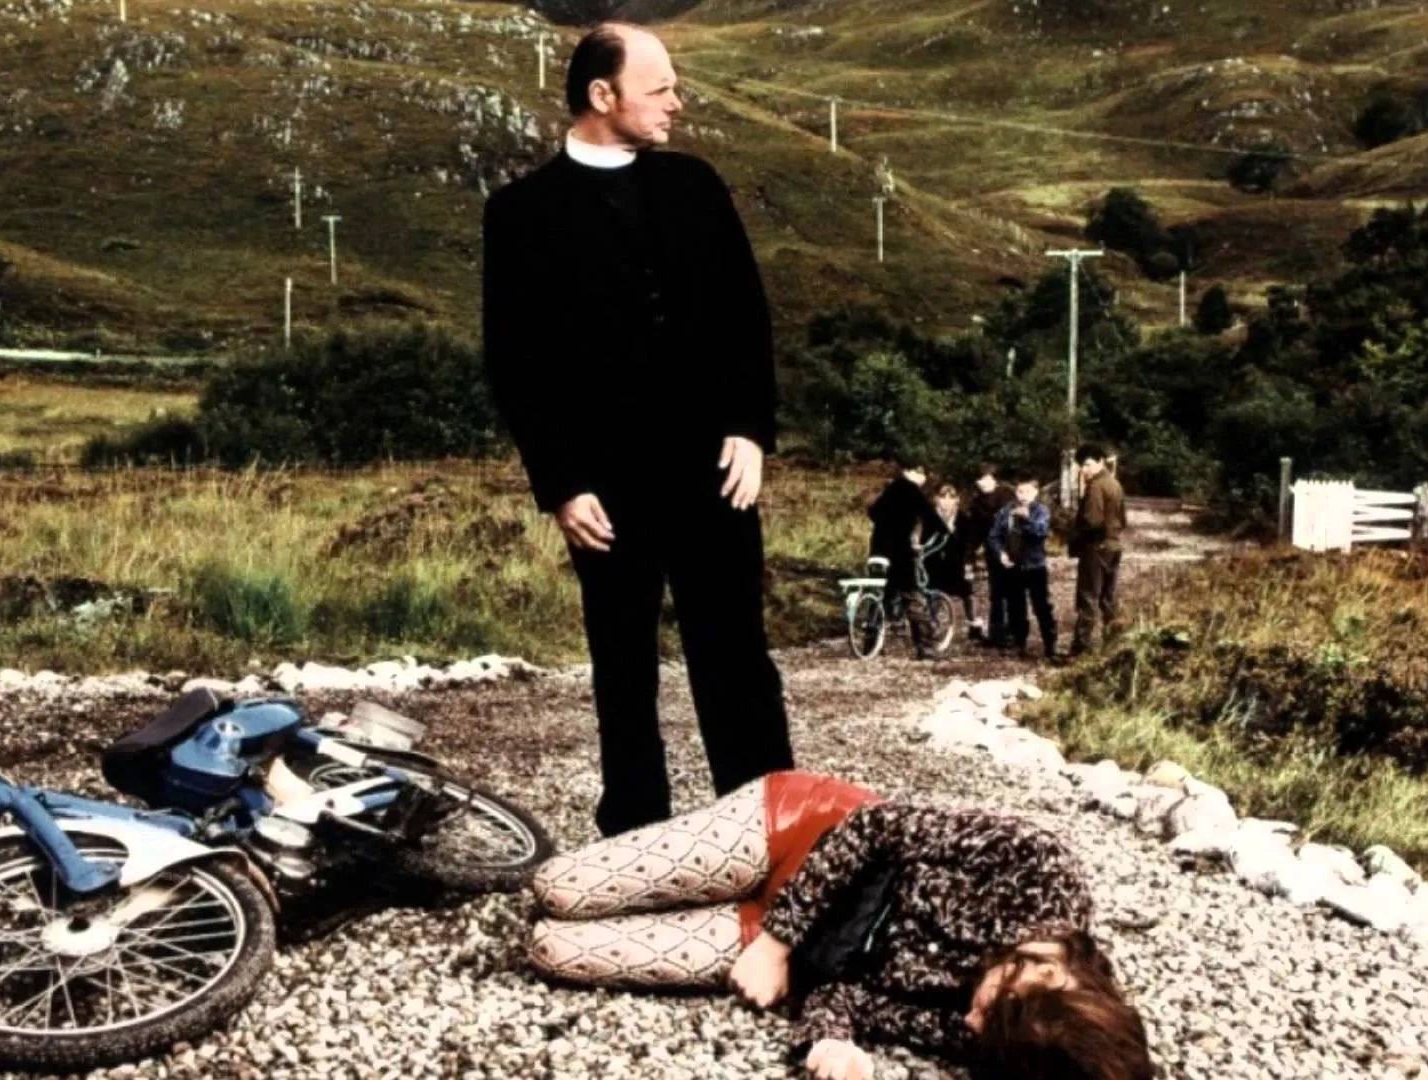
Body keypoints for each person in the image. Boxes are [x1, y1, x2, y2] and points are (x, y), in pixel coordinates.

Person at [481, 22, 792, 837]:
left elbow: (745, 317)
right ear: (601, 95)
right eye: (660, 90)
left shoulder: (696, 185)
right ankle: (636, 837)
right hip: (604, 487)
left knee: (736, 659)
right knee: (623, 668)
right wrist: (560, 484)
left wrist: (751, 430)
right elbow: (516, 362)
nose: (677, 105)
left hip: (713, 470)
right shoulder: (520, 214)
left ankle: (764, 830)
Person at [526, 770, 1155, 1080]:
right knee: (559, 887)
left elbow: (847, 996)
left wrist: (831, 1040)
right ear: (1046, 973)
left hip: (800, 949)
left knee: (556, 948)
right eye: (990, 1014)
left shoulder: (1004, 1038)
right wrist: (777, 942)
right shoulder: (1040, 868)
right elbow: (877, 827)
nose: (968, 1023)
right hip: (800, 833)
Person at [866, 465, 941, 659]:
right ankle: (925, 646)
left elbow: (873, 512)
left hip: (877, 549)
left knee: (878, 594)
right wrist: (935, 536)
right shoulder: (913, 492)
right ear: (915, 473)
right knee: (912, 596)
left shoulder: (889, 490)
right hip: (899, 552)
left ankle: (869, 644)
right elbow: (932, 519)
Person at [988, 477, 1057, 660]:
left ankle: (1051, 646)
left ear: (1035, 492)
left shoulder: (1041, 511)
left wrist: (1026, 520)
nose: (1023, 496)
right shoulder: (1006, 511)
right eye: (1020, 492)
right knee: (1015, 607)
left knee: (1042, 606)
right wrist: (1000, 554)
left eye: (1027, 492)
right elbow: (994, 536)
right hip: (1013, 566)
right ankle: (1019, 644)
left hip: (1035, 566)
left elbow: (1041, 532)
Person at [1070, 445, 1127, 658]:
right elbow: (1122, 519)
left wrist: (1078, 537)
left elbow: (1092, 521)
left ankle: (1080, 649)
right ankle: (1114, 643)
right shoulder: (1114, 484)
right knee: (1107, 597)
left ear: (1101, 462)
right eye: (1082, 465)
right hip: (1113, 545)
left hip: (1096, 546)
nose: (1084, 469)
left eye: (1088, 464)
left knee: (1088, 597)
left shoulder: (1095, 486)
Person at [963, 465, 1013, 646]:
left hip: (1010, 550)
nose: (983, 483)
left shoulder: (1007, 498)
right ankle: (997, 633)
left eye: (987, 478)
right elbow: (974, 532)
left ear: (995, 479)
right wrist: (969, 555)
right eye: (980, 479)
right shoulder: (976, 503)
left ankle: (1013, 633)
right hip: (992, 551)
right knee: (997, 592)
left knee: (1012, 592)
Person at [920, 483, 976, 638]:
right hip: (935, 562)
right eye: (943, 497)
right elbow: (926, 540)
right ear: (936, 499)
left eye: (951, 497)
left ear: (957, 500)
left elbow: (969, 543)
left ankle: (973, 623)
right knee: (933, 592)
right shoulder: (930, 518)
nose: (946, 501)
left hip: (958, 561)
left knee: (967, 592)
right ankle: (933, 624)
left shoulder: (964, 518)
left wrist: (968, 562)